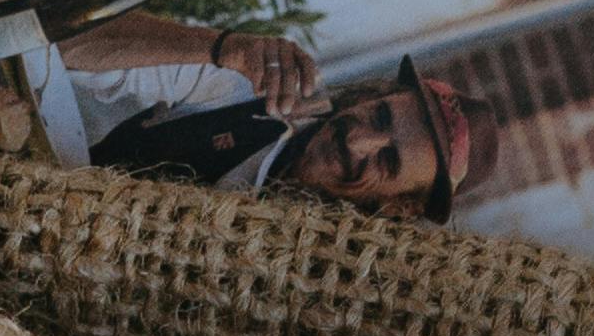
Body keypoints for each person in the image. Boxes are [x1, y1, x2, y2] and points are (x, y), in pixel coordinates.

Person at [82, 51, 471, 219]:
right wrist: (225, 47)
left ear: (398, 207)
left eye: (387, 161)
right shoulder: (256, 91)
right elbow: (98, 62)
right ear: (368, 97)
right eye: (379, 115)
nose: (356, 141)